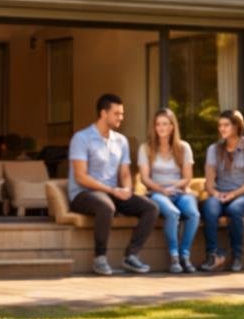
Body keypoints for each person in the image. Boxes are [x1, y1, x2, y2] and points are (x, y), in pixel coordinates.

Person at [68, 93, 158, 275]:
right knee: (106, 206)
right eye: (117, 113)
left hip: (112, 192)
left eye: (122, 114)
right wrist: (111, 190)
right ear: (103, 113)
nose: (121, 118)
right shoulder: (82, 138)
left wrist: (126, 189)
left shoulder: (121, 141)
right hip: (83, 193)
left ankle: (131, 256)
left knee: (151, 208)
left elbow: (125, 172)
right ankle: (100, 258)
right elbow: (80, 176)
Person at [200, 109, 244, 272]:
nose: (222, 128)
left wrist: (234, 194)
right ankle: (213, 255)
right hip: (221, 194)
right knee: (209, 207)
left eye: (226, 125)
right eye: (220, 125)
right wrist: (215, 194)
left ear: (236, 126)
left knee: (235, 209)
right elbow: (209, 181)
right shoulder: (213, 149)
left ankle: (237, 257)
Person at [138, 108, 200, 274]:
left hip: (179, 191)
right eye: (158, 124)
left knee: (194, 214)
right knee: (173, 213)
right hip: (157, 193)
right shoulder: (146, 148)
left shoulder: (183, 148)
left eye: (165, 124)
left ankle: (184, 255)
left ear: (172, 127)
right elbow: (144, 178)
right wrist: (161, 189)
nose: (161, 127)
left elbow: (188, 177)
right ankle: (174, 257)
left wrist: (175, 187)